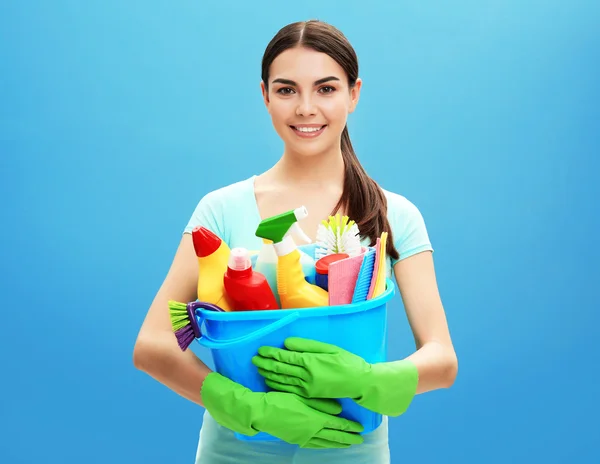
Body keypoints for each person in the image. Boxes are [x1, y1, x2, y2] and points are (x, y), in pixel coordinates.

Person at [133, 19, 458, 464]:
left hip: (352, 451)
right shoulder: (221, 210)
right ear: (265, 95)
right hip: (234, 452)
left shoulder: (393, 214)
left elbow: (442, 359)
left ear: (354, 94)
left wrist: (368, 381)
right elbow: (152, 344)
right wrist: (250, 408)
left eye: (326, 89)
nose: (306, 108)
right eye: (287, 90)